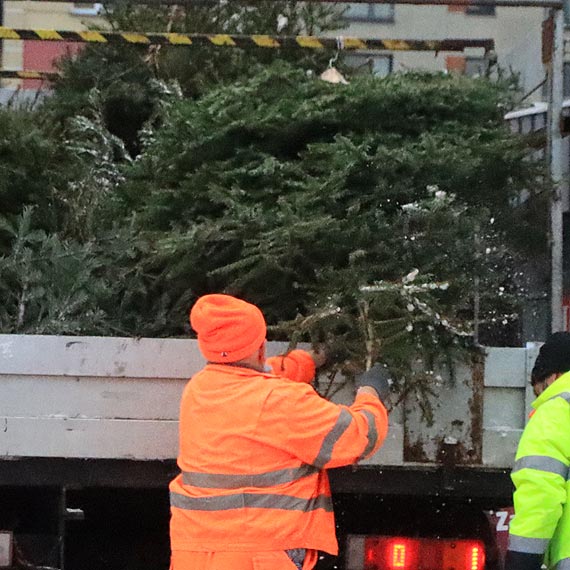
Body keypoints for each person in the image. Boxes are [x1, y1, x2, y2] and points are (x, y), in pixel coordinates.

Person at [169, 293, 390, 570]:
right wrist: (371, 391)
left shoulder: (199, 390)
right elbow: (358, 437)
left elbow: (261, 375)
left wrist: (314, 359)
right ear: (261, 348)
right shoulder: (280, 401)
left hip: (195, 554)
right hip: (259, 557)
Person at [505, 332, 570, 570]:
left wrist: (522, 560)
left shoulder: (557, 410)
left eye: (539, 390)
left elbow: (541, 493)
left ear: (553, 378)